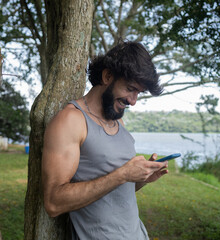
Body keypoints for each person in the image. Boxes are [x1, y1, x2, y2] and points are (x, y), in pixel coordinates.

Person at [42, 41, 169, 240]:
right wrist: (123, 174)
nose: (133, 101)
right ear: (107, 76)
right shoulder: (71, 121)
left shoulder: (119, 124)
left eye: (138, 93)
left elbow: (112, 190)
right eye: (130, 89)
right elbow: (53, 202)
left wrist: (141, 178)